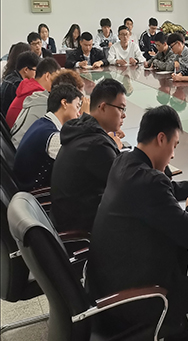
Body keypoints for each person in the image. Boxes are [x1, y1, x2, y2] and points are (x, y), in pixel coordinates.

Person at [88, 105, 188, 341]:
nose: (173, 155)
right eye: (174, 145)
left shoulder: (124, 161)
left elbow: (162, 189)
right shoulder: (149, 182)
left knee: (179, 260)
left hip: (105, 283)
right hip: (132, 299)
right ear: (161, 139)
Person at [51, 79, 127, 233]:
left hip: (68, 217)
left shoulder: (81, 130)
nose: (124, 115)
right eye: (121, 108)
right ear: (103, 107)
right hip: (82, 227)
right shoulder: (95, 144)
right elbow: (128, 184)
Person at [13, 85, 82, 191]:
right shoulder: (52, 136)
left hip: (23, 187)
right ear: (64, 103)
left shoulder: (41, 123)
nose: (79, 114)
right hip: (34, 192)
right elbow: (77, 160)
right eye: (77, 106)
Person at [11, 69, 86, 148]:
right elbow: (74, 147)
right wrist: (85, 116)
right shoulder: (45, 109)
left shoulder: (45, 109)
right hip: (16, 148)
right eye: (77, 104)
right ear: (64, 102)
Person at [6, 58, 61, 127]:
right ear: (47, 76)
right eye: (56, 78)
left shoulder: (29, 87)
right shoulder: (37, 95)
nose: (57, 83)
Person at [1, 51, 39, 116]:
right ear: (26, 70)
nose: (37, 73)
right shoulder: (18, 85)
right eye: (35, 70)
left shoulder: (9, 77)